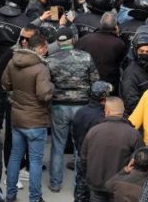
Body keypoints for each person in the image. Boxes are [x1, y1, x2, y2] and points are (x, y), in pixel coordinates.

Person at [46, 27, 99, 193]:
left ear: (58, 42)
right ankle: (79, 184)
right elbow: (95, 81)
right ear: (73, 39)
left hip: (59, 106)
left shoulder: (50, 60)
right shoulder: (86, 57)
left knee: (57, 145)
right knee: (80, 146)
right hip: (82, 106)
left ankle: (55, 183)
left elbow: (46, 84)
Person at [3, 34, 54, 202]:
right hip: (36, 119)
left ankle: (10, 195)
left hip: (17, 117)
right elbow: (44, 95)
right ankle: (35, 198)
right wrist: (52, 87)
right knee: (35, 161)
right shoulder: (41, 68)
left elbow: (5, 84)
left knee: (15, 157)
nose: (46, 51)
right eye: (45, 47)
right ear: (39, 48)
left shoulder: (12, 62)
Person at [81, 97, 144, 202]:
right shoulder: (133, 134)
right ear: (123, 111)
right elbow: (139, 162)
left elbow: (83, 159)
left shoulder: (93, 131)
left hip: (96, 183)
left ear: (107, 111)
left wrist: (88, 176)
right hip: (120, 186)